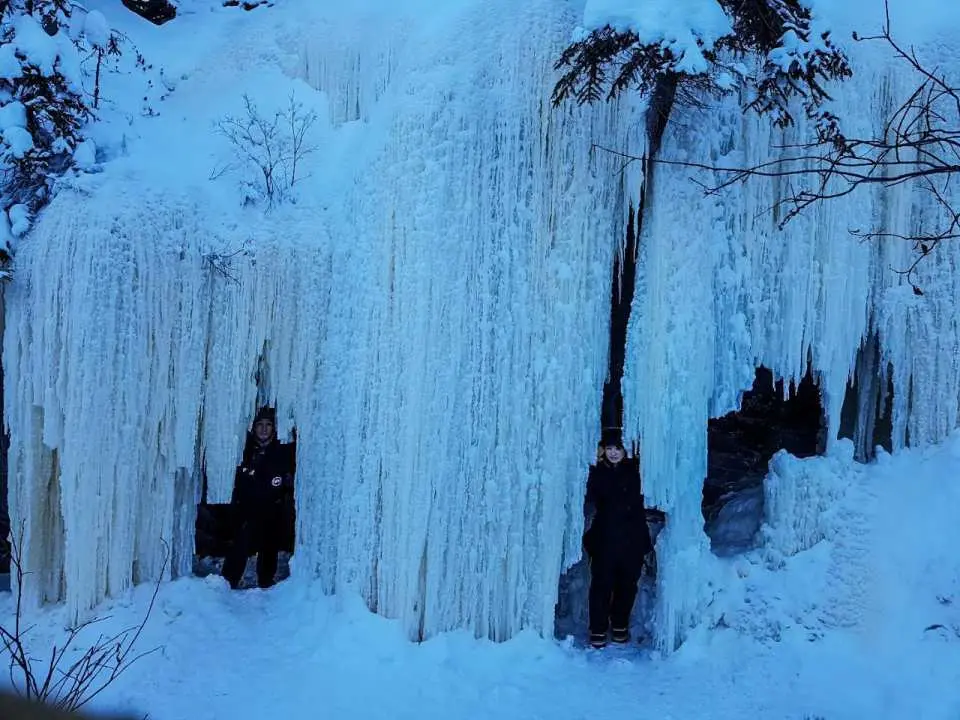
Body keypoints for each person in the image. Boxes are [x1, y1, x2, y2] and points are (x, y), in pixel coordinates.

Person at [582, 427, 653, 648]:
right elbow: (591, 497)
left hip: (632, 539)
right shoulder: (597, 473)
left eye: (618, 448)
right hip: (605, 539)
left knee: (627, 585)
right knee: (601, 585)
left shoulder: (636, 472)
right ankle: (598, 630)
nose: (613, 452)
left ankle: (620, 625)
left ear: (625, 451)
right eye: (609, 448)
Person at [222, 407, 295, 589]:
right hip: (246, 509)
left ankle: (266, 582)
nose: (264, 429)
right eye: (260, 425)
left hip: (272, 508)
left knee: (269, 542)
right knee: (240, 541)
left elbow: (289, 479)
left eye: (268, 425)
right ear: (253, 428)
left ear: (274, 428)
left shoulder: (282, 452)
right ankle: (227, 582)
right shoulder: (244, 451)